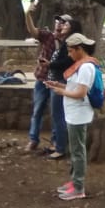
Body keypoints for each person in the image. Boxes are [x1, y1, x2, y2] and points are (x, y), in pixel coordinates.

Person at [45, 33, 98, 201]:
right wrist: (59, 85)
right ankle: (74, 181)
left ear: (79, 49)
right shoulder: (80, 66)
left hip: (79, 115)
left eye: (70, 51)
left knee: (78, 151)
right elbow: (74, 87)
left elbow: (81, 93)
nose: (69, 54)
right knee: (75, 150)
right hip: (73, 114)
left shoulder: (86, 67)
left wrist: (61, 92)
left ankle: (78, 187)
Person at [45, 13, 81, 161]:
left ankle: (60, 148)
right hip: (58, 80)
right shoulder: (65, 41)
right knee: (57, 115)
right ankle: (56, 144)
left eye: (66, 24)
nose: (63, 25)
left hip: (61, 79)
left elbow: (66, 62)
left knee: (58, 115)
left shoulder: (70, 43)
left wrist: (50, 64)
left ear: (72, 28)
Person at [22, 0, 56, 153]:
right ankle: (33, 139)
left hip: (57, 82)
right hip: (42, 79)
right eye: (58, 23)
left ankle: (56, 141)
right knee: (37, 111)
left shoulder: (68, 42)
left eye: (63, 23)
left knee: (56, 113)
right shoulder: (48, 36)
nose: (59, 25)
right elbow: (33, 31)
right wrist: (28, 14)